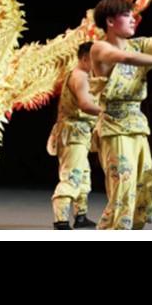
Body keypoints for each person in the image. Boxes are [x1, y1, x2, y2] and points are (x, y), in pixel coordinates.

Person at [88, 0, 152, 229]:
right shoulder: (100, 48)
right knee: (123, 187)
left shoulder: (139, 45)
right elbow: (126, 58)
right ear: (110, 21)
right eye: (126, 15)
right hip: (114, 127)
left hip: (137, 124)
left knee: (144, 186)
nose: (133, 19)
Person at [48, 41, 101, 229]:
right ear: (85, 58)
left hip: (80, 133)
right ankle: (61, 220)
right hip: (73, 132)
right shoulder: (80, 77)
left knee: (83, 175)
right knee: (72, 175)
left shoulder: (81, 75)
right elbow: (85, 105)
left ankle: (81, 215)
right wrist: (107, 111)